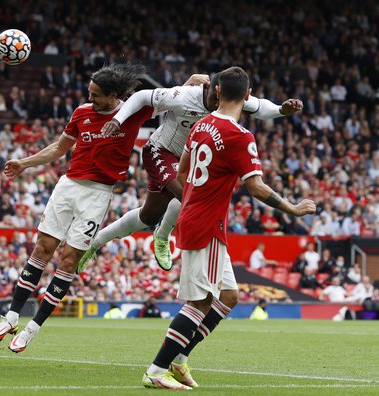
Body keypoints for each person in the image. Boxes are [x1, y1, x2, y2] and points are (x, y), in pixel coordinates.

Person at [142, 67, 316, 390]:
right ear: (248, 96)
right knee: (201, 302)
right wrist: (292, 208)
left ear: (217, 91)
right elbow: (258, 189)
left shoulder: (200, 126)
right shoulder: (240, 136)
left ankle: (180, 360)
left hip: (197, 217)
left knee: (230, 296)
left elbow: (181, 172)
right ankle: (156, 368)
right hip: (206, 223)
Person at [0, 63, 153, 352]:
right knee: (41, 249)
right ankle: (11, 317)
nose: (91, 99)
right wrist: (24, 163)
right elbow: (58, 148)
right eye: (89, 93)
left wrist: (191, 82)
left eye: (96, 95)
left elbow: (169, 99)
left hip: (98, 194)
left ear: (113, 95)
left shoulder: (133, 112)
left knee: (68, 260)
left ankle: (32, 328)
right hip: (68, 186)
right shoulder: (81, 113)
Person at [78, 72, 303, 273]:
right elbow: (142, 96)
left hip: (189, 160)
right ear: (214, 90)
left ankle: (95, 242)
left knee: (148, 216)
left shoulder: (230, 99)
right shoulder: (184, 95)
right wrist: (118, 120)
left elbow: (261, 107)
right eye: (216, 99)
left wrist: (282, 109)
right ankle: (163, 235)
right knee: (191, 193)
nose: (218, 106)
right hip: (162, 151)